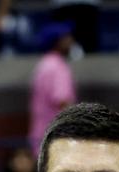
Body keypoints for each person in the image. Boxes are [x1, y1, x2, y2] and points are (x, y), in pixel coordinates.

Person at [29, 24, 75, 155]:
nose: (71, 41)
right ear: (57, 41)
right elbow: (63, 102)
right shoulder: (58, 66)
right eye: (67, 37)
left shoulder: (44, 64)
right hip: (57, 139)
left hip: (41, 137)